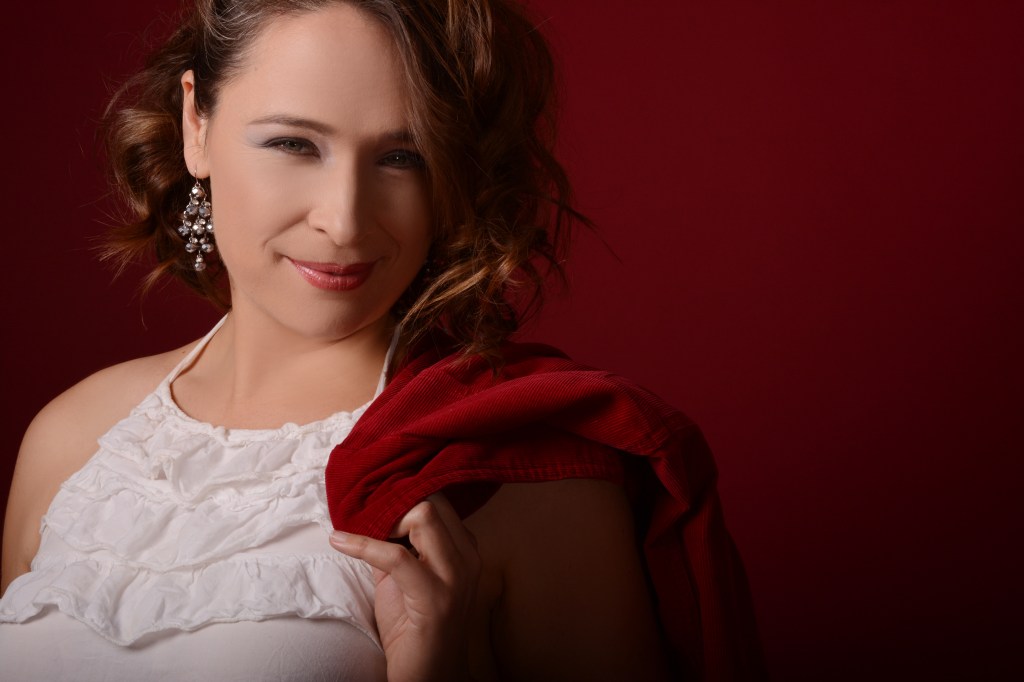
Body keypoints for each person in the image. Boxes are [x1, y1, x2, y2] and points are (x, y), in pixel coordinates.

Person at [0, 0, 764, 680]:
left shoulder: (514, 479)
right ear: (195, 123)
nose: (344, 220)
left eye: (403, 156)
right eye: (295, 144)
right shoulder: (73, 438)